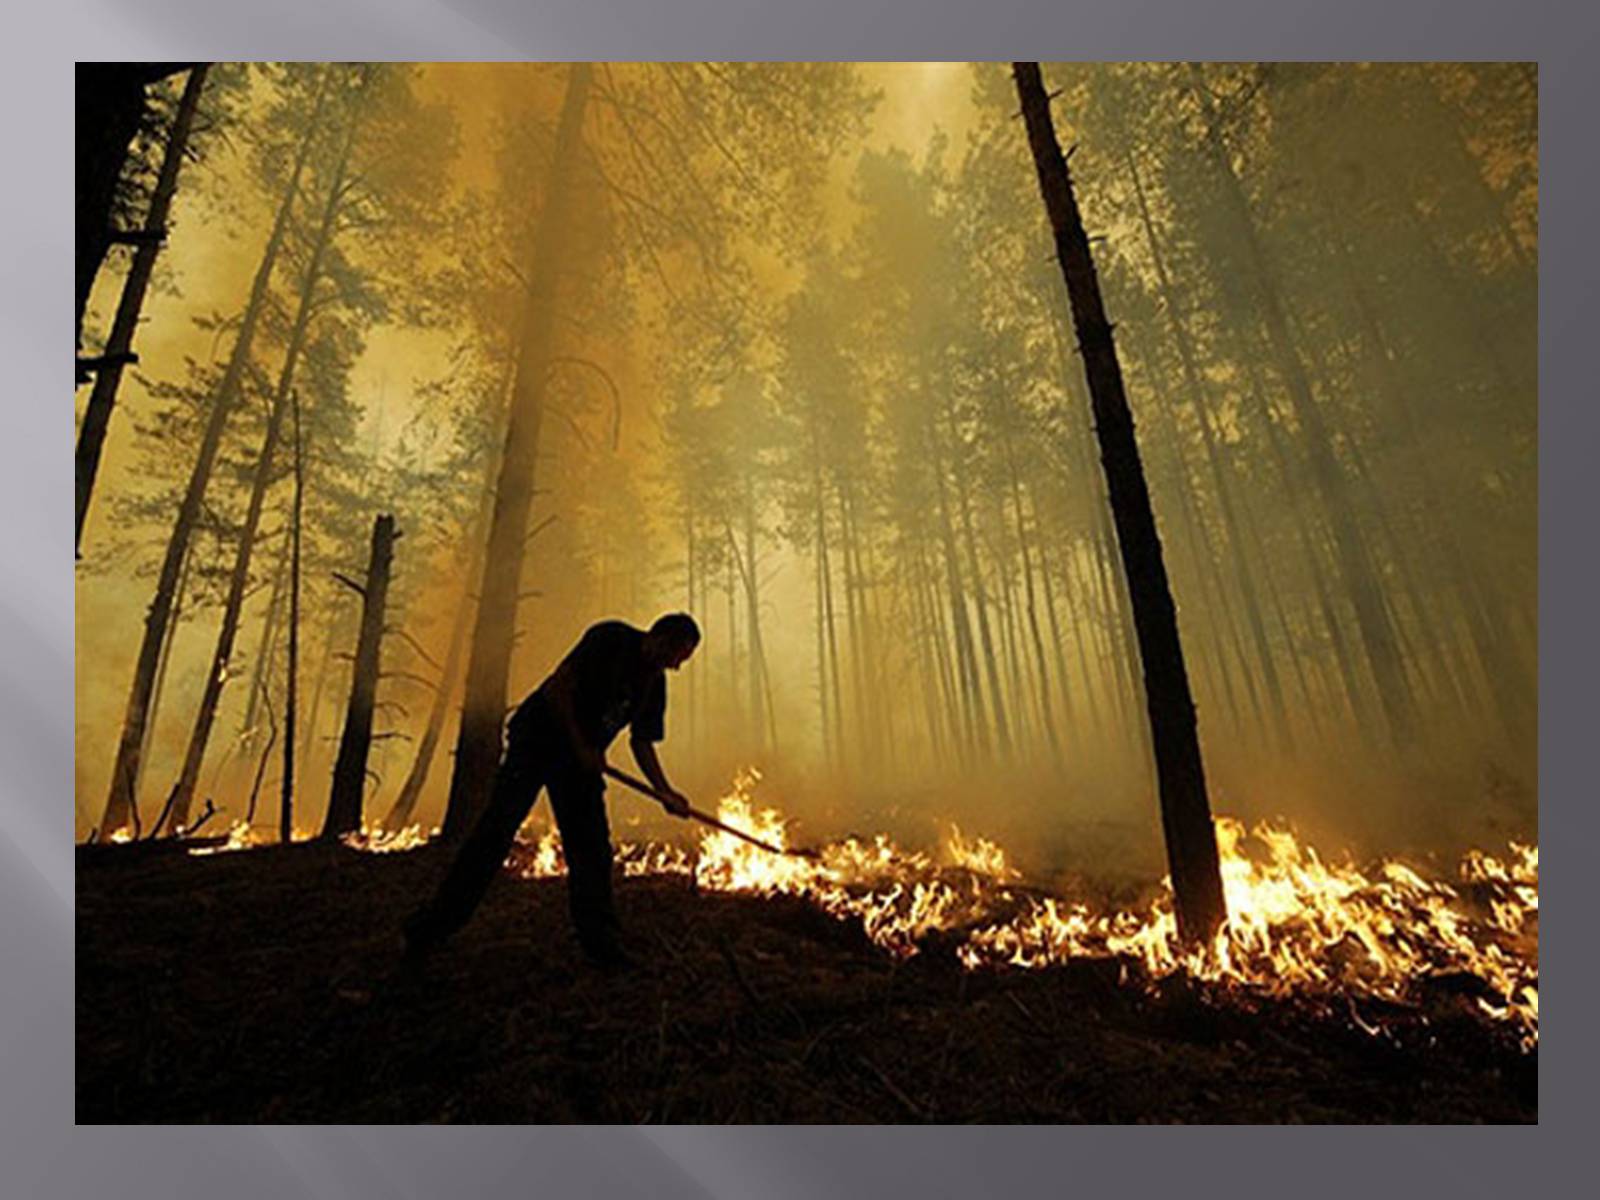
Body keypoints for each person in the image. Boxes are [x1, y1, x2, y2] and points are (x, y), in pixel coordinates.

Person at [404, 613, 700, 969]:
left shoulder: (654, 685)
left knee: (592, 849)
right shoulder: (610, 638)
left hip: (579, 764)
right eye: (676, 657)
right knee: (494, 836)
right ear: (660, 637)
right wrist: (580, 745)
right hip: (536, 742)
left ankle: (602, 943)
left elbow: (642, 742)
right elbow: (557, 688)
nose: (676, 667)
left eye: (681, 660)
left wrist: (665, 792)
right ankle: (431, 927)